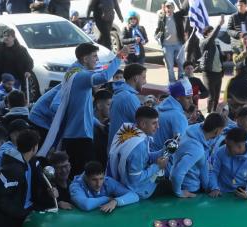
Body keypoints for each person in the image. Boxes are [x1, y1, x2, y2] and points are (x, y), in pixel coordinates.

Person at [38, 42, 126, 178]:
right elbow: (103, 77)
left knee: (75, 173)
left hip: (72, 134)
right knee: (87, 174)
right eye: (94, 56)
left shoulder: (72, 71)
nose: (97, 60)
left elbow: (81, 110)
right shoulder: (81, 76)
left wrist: (97, 123)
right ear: (85, 59)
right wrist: (120, 56)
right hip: (80, 136)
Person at [108, 106, 167, 200]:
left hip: (118, 181)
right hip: (137, 190)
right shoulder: (139, 146)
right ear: (143, 124)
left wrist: (164, 150)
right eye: (154, 123)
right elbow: (135, 179)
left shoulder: (128, 129)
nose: (158, 127)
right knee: (172, 183)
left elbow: (144, 157)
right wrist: (157, 166)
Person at [170, 113, 226, 197]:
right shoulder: (197, 149)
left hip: (182, 184)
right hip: (189, 188)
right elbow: (177, 174)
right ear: (217, 131)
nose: (222, 133)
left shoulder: (192, 130)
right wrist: (179, 193)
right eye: (222, 130)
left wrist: (207, 187)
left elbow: (202, 165)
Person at [209, 127, 247, 200]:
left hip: (239, 197)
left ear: (240, 146)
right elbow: (214, 172)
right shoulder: (221, 152)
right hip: (219, 194)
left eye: (229, 146)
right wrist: (214, 187)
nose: (226, 148)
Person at [70, 160, 138, 212]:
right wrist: (107, 199)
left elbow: (134, 196)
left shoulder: (107, 181)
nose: (98, 184)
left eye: (101, 178)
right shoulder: (75, 186)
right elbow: (86, 205)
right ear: (86, 178)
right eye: (94, 180)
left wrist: (116, 201)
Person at [108, 63, 147, 148]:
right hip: (122, 151)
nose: (145, 82)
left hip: (119, 148)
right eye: (143, 78)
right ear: (136, 78)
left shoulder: (122, 94)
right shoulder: (128, 97)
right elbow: (144, 124)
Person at [153, 79, 191, 150]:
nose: (191, 101)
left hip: (151, 155)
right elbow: (181, 146)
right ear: (178, 97)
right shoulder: (179, 117)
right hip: (165, 159)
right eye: (188, 98)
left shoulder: (157, 108)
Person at [0, 29, 33, 95]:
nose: (6, 37)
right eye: (4, 36)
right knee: (2, 96)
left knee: (14, 96)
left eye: (8, 36)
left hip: (16, 78)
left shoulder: (21, 50)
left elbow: (29, 62)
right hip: (3, 79)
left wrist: (28, 71)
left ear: (13, 37)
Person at [155, 0, 187, 82]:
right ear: (165, 9)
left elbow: (185, 9)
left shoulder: (178, 16)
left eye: (171, 7)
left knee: (181, 64)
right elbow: (158, 30)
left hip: (179, 44)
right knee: (170, 66)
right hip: (167, 45)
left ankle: (181, 81)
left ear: (173, 8)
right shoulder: (162, 19)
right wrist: (156, 35)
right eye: (167, 7)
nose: (169, 9)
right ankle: (172, 82)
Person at [200, 18, 226, 113]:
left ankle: (214, 112)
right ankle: (208, 113)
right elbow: (211, 38)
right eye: (211, 32)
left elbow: (219, 57)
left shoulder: (216, 43)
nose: (213, 34)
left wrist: (225, 57)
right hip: (209, 73)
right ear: (206, 34)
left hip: (218, 73)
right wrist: (219, 25)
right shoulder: (204, 42)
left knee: (217, 96)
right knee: (211, 96)